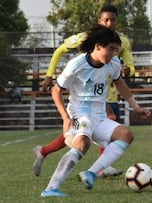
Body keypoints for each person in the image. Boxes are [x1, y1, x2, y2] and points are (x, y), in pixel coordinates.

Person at [40, 25, 151, 197]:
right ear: (97, 46)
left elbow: (120, 84)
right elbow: (56, 90)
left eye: (117, 50)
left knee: (126, 135)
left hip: (99, 117)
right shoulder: (77, 64)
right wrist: (65, 118)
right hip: (79, 114)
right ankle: (51, 189)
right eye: (111, 49)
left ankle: (91, 173)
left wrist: (136, 106)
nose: (115, 53)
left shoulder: (113, 63)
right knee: (82, 143)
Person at [33, 5, 136, 178]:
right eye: (106, 20)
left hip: (108, 92)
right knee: (84, 133)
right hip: (85, 96)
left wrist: (128, 71)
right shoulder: (84, 38)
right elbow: (59, 51)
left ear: (118, 22)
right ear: (99, 21)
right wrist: (50, 75)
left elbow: (130, 67)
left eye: (113, 20)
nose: (109, 23)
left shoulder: (122, 41)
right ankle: (101, 167)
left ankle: (43, 152)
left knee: (88, 132)